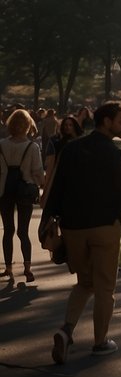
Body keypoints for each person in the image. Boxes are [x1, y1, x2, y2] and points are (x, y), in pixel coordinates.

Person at [45, 100, 121, 363]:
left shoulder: (73, 150)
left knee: (84, 283)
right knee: (104, 287)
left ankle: (66, 331)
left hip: (73, 227)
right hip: (104, 228)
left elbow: (57, 188)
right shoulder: (114, 155)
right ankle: (100, 342)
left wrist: (48, 222)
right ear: (106, 121)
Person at [1, 109, 44, 284]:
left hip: (4, 191)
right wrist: (43, 187)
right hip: (25, 190)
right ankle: (27, 268)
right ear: (28, 126)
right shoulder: (32, 147)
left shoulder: (2, 144)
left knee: (8, 230)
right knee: (23, 232)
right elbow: (38, 171)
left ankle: (9, 268)